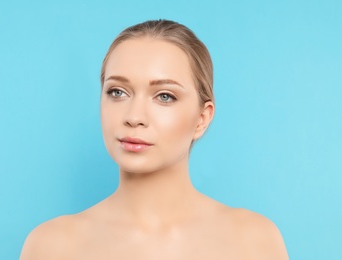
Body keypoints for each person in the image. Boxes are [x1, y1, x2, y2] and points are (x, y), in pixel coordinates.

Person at [20, 19, 288, 259]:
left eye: (164, 96)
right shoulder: (51, 247)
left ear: (202, 119)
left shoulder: (254, 242)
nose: (134, 117)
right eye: (117, 92)